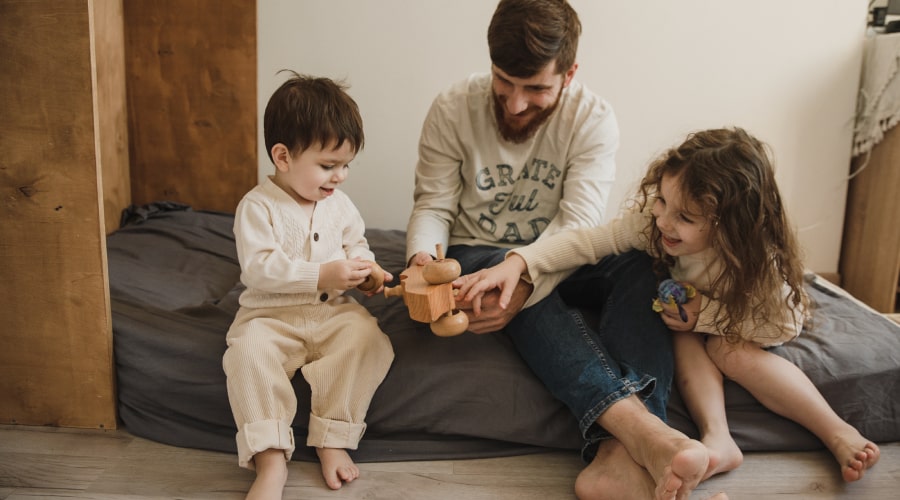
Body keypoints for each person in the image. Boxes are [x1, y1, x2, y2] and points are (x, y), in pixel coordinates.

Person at [406, 1, 713, 498]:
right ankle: (647, 436)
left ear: (569, 74)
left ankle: (619, 453)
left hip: (567, 248)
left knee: (642, 264)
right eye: (504, 81)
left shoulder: (594, 120)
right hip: (478, 250)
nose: (515, 104)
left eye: (537, 89)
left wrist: (526, 275)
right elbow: (433, 205)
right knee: (511, 281)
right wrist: (424, 260)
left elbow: (579, 226)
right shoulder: (451, 107)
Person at [456, 126, 881, 485]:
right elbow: (589, 244)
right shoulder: (653, 224)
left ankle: (836, 431)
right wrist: (522, 262)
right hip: (690, 323)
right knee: (687, 341)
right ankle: (719, 438)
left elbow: (781, 327)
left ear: (730, 226)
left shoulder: (758, 262)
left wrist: (712, 316)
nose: (662, 221)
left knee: (729, 352)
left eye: (684, 217)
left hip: (747, 324)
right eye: (661, 201)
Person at [223, 72, 395, 499]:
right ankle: (270, 460)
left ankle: (332, 436)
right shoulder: (257, 207)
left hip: (331, 312)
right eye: (328, 165)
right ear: (283, 156)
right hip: (270, 315)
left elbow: (357, 243)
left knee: (368, 340)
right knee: (247, 354)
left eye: (346, 165)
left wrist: (367, 270)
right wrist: (320, 274)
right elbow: (259, 269)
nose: (341, 177)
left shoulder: (340, 205)